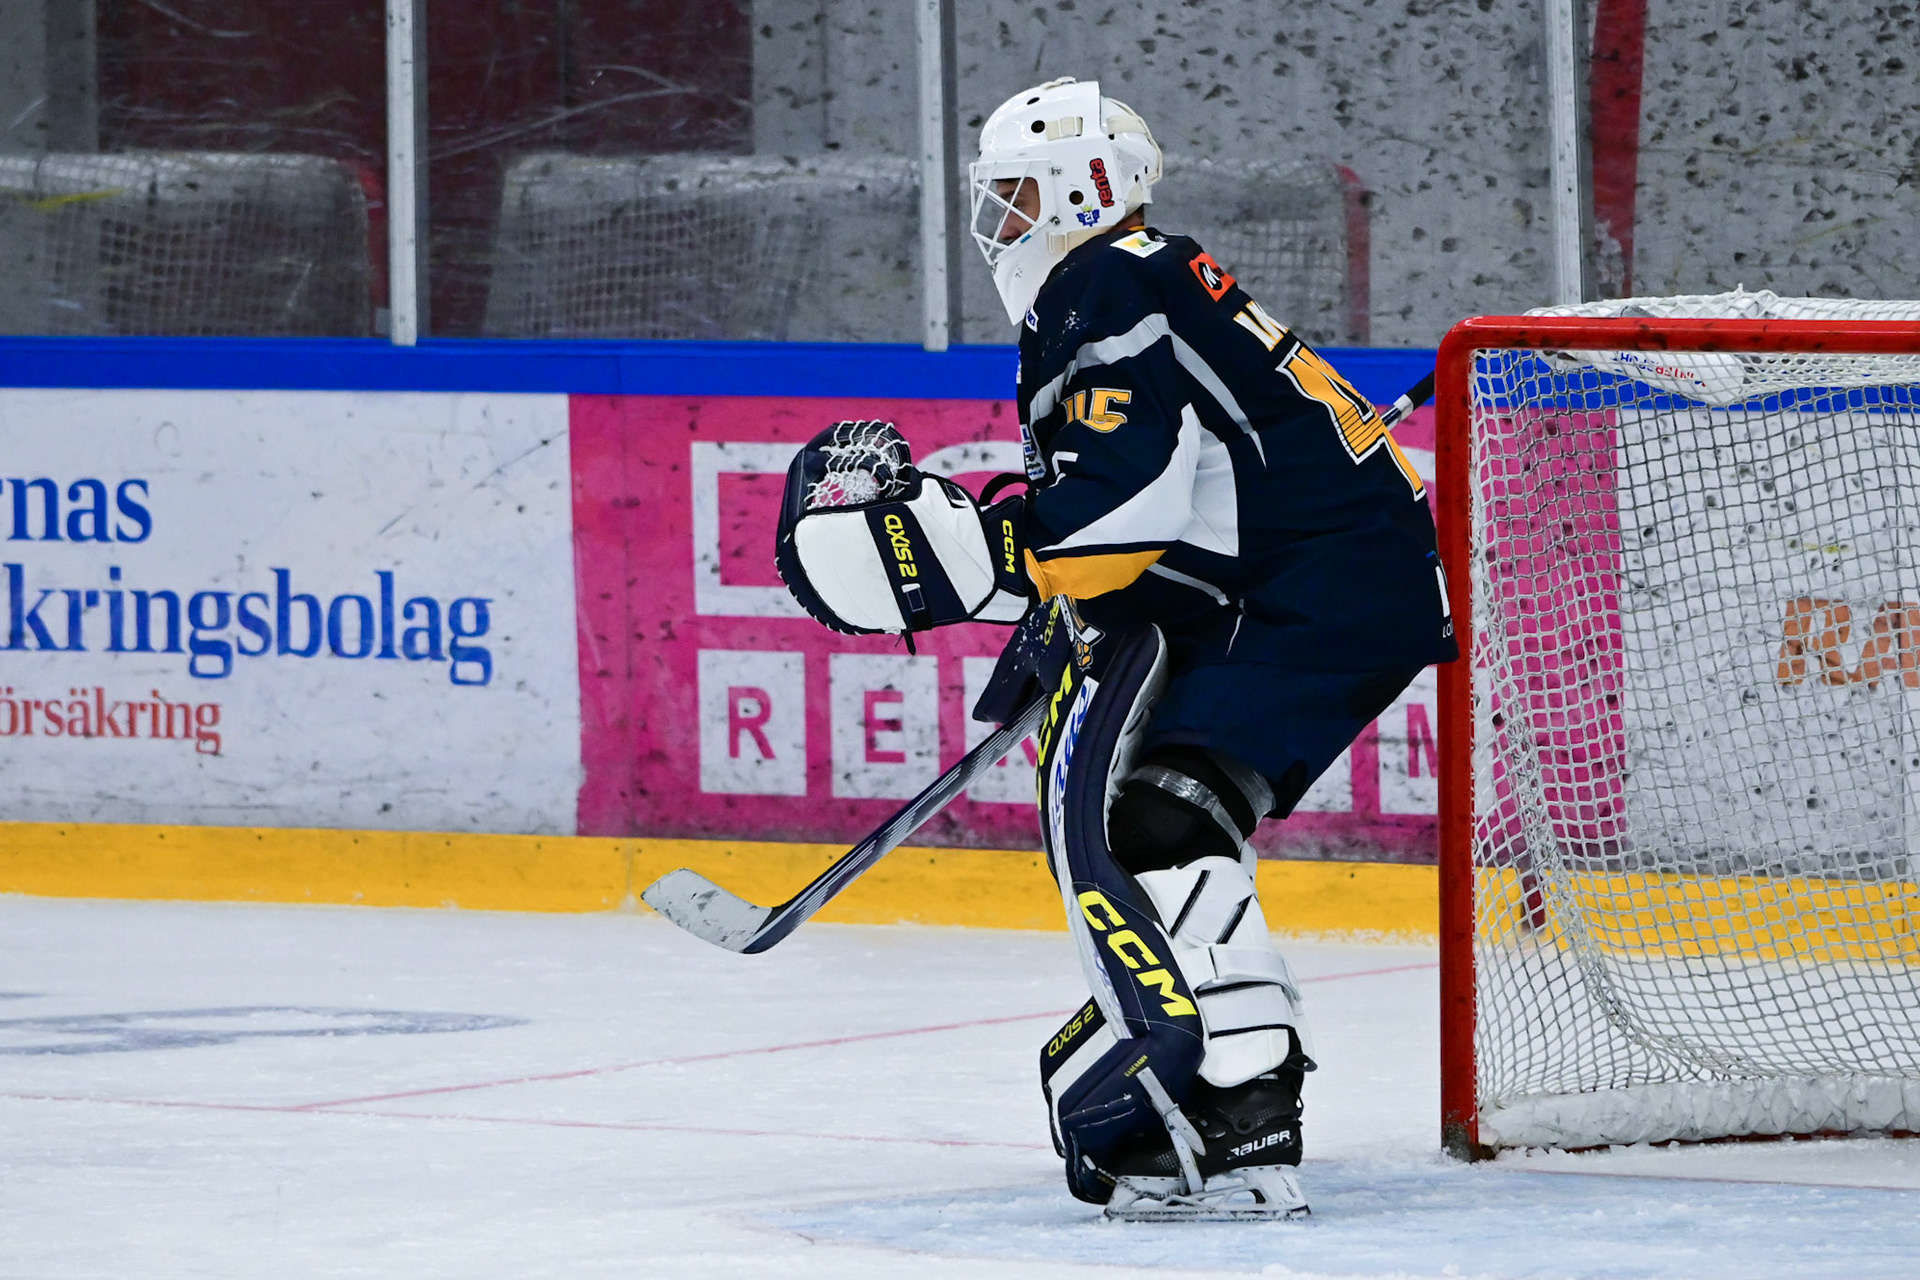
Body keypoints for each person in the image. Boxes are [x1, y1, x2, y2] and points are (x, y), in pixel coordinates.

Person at [775, 77, 1454, 1219]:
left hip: (1311, 593)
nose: (998, 224)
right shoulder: (1134, 278)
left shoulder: (1108, 280)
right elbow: (1150, 497)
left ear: (1083, 187)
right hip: (1307, 580)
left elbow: (1116, 516)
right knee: (1164, 815)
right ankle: (1238, 1089)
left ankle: (1244, 1100)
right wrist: (1029, 569)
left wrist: (977, 552)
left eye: (1016, 195)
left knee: (1163, 824)